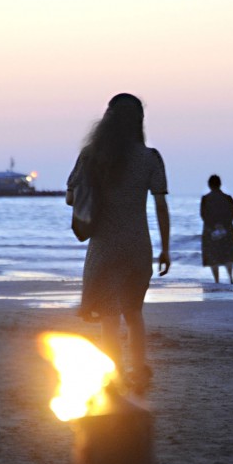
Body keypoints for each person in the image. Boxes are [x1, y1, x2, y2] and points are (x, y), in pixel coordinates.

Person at [66, 93, 171, 393]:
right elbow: (161, 205)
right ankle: (138, 370)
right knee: (134, 312)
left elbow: (71, 196)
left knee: (109, 316)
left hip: (104, 246)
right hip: (139, 245)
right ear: (139, 121)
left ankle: (113, 376)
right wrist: (166, 248)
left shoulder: (91, 155)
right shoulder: (150, 157)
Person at [200, 174, 233, 284]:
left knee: (213, 256)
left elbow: (203, 215)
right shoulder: (228, 198)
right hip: (227, 229)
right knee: (228, 255)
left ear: (209, 185)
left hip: (210, 230)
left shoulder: (205, 199)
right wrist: (224, 225)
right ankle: (231, 277)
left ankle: (216, 280)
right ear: (220, 184)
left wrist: (214, 226)